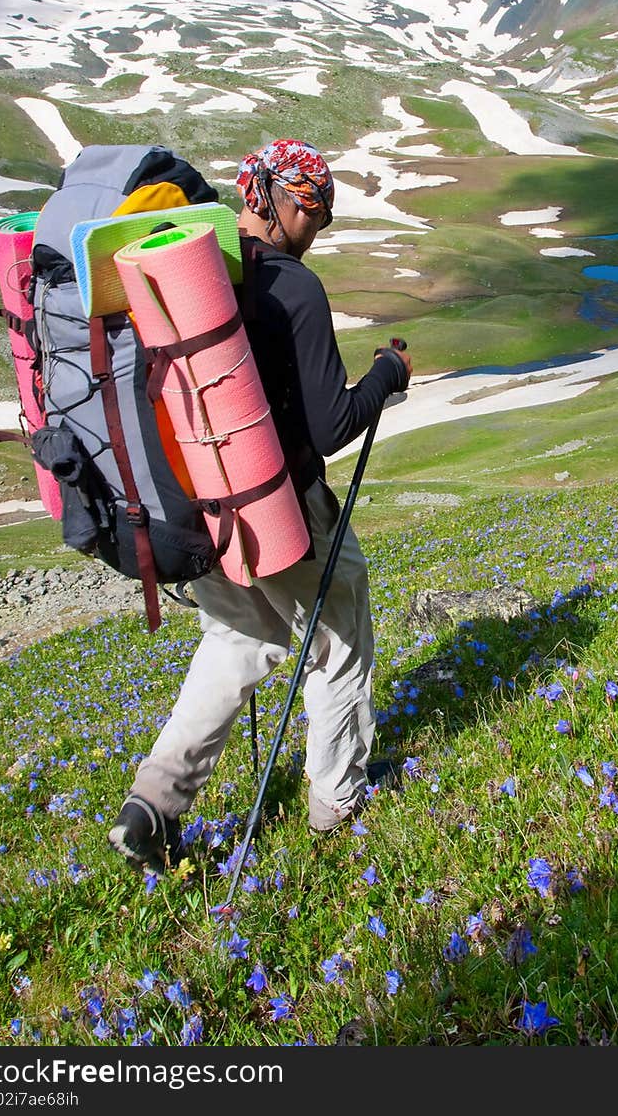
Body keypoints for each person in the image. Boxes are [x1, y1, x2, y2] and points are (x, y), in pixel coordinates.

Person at [107, 138, 412, 870]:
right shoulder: (293, 289)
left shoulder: (189, 271)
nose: (317, 225)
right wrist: (388, 374)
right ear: (268, 196)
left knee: (239, 638)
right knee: (338, 636)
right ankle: (336, 802)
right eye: (312, 207)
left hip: (194, 504)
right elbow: (332, 426)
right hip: (276, 507)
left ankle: (153, 803)